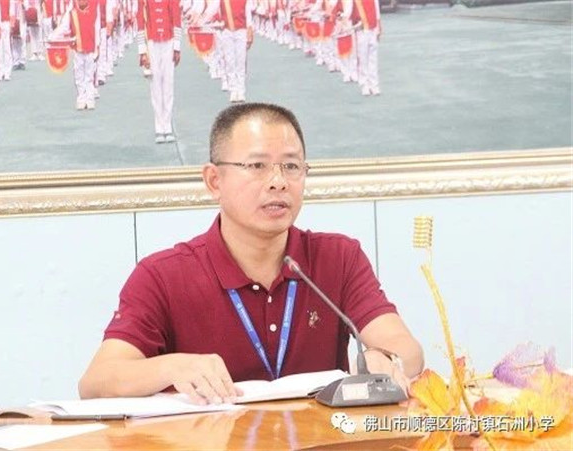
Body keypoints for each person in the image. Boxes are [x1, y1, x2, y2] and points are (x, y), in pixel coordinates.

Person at [78, 102, 424, 405]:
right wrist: (173, 366)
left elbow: (406, 349)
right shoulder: (163, 275)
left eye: (291, 166)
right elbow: (96, 382)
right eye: (257, 166)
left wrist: (385, 358)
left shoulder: (338, 257)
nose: (278, 182)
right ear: (214, 181)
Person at [136, 0, 181, 144]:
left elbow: (176, 17)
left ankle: (167, 126)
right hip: (151, 43)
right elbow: (140, 20)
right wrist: (142, 50)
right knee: (155, 86)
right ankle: (159, 127)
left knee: (168, 84)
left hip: (169, 41)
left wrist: (177, 46)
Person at [50, 0, 101, 110]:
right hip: (78, 47)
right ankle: (81, 98)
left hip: (91, 46)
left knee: (89, 74)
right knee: (79, 74)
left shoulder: (95, 5)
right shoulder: (72, 7)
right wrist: (53, 36)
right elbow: (64, 26)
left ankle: (90, 98)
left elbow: (97, 27)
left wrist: (97, 45)